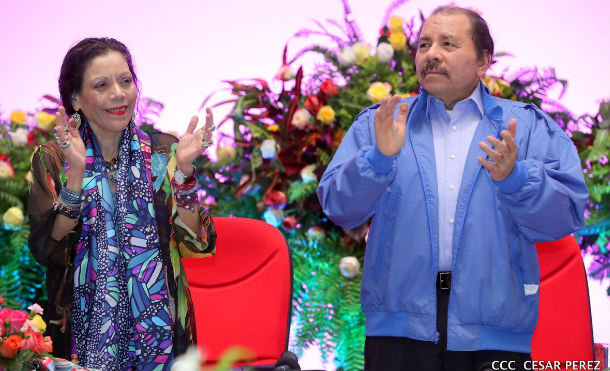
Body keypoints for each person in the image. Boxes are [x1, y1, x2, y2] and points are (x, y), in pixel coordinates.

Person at [317, 5, 588, 371]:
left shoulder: (526, 127)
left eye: (448, 43)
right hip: (397, 330)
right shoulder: (382, 124)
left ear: (483, 60)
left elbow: (567, 214)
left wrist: (516, 178)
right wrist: (378, 159)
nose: (432, 54)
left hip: (494, 329)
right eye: (424, 45)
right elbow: (337, 205)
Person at [27, 37, 217, 371]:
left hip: (164, 335)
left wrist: (185, 172)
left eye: (126, 81)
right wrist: (77, 177)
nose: (119, 94)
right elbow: (49, 249)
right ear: (75, 98)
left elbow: (194, 243)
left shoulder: (162, 153)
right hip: (81, 337)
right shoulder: (55, 159)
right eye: (101, 85)